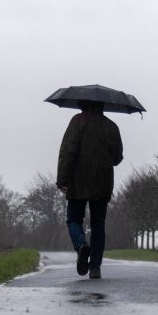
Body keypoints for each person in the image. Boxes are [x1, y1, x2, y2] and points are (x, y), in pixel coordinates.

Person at [56, 100, 123, 279]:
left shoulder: (77, 121)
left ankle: (81, 246)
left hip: (78, 180)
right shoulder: (112, 127)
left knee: (73, 219)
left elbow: (68, 151)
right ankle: (95, 268)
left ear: (82, 104)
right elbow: (117, 157)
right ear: (103, 105)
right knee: (98, 224)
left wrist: (62, 179)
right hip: (102, 181)